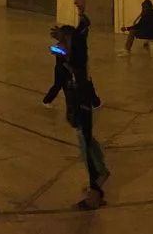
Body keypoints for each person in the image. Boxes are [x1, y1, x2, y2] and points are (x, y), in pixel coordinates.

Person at [43, 24, 108, 210]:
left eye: (64, 41)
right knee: (86, 141)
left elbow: (77, 46)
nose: (60, 45)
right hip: (79, 107)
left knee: (85, 145)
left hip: (82, 107)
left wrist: (65, 50)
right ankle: (101, 172)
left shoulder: (77, 61)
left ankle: (95, 194)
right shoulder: (71, 61)